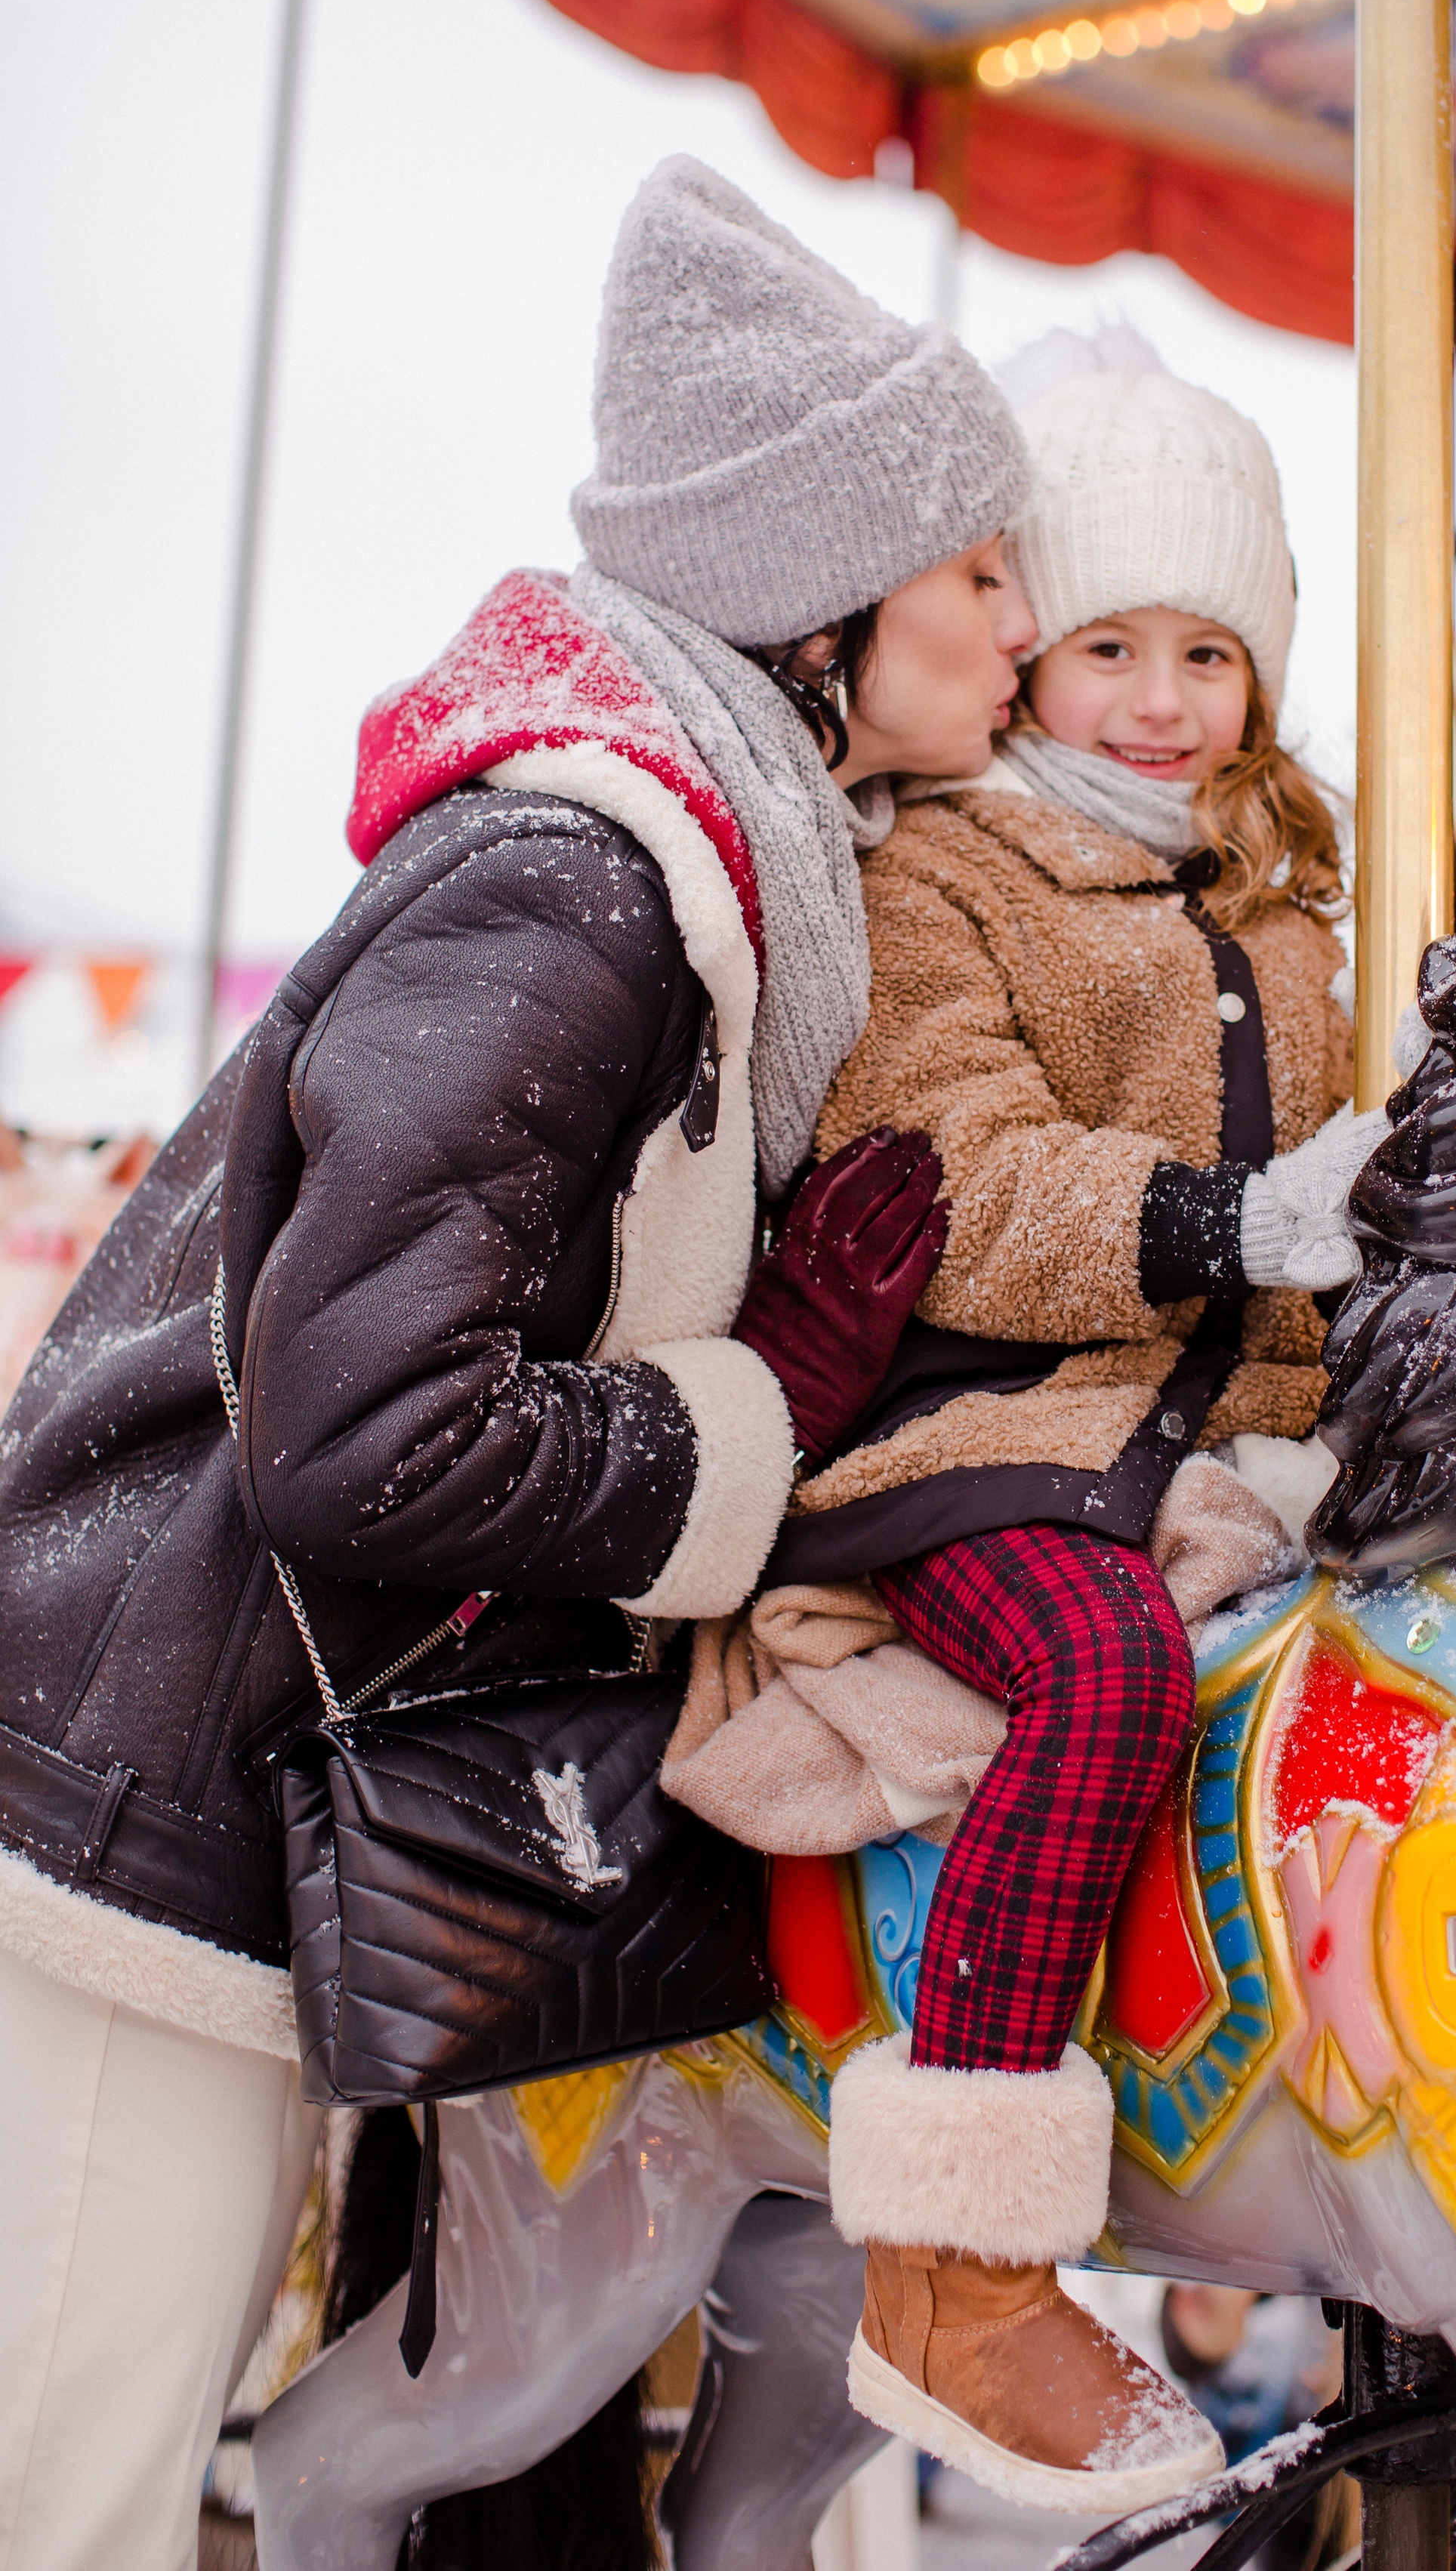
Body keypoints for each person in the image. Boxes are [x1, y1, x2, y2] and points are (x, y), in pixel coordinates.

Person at [0, 154, 1034, 2571]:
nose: (1023, 625)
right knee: (71, 2488)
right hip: (131, 1808)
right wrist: (754, 1412)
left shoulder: (706, 881)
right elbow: (366, 1427)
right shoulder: (586, 892)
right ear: (823, 586)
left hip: (208, 1786)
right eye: (981, 567)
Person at [789, 334, 1384, 2512]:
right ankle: (958, 2258)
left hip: (1229, 1458)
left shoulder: (1293, 917)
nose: (1160, 698)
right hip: (981, 1439)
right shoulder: (939, 876)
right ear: (1032, 651)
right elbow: (952, 1170)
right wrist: (1228, 1219)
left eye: (1207, 653)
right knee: (1107, 1668)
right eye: (1113, 645)